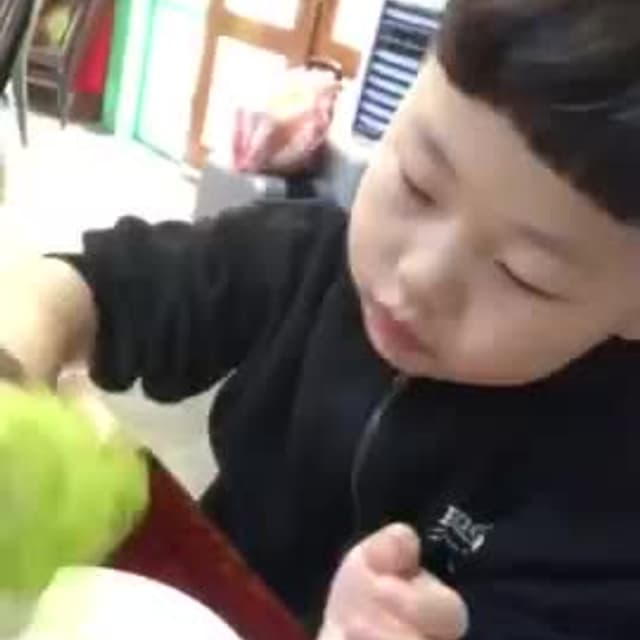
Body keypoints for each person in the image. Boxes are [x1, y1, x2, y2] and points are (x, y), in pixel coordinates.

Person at [2, 0, 640, 637]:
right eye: (418, 182)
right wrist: (15, 359)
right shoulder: (304, 259)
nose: (419, 276)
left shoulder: (608, 497)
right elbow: (96, 285)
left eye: (523, 274)